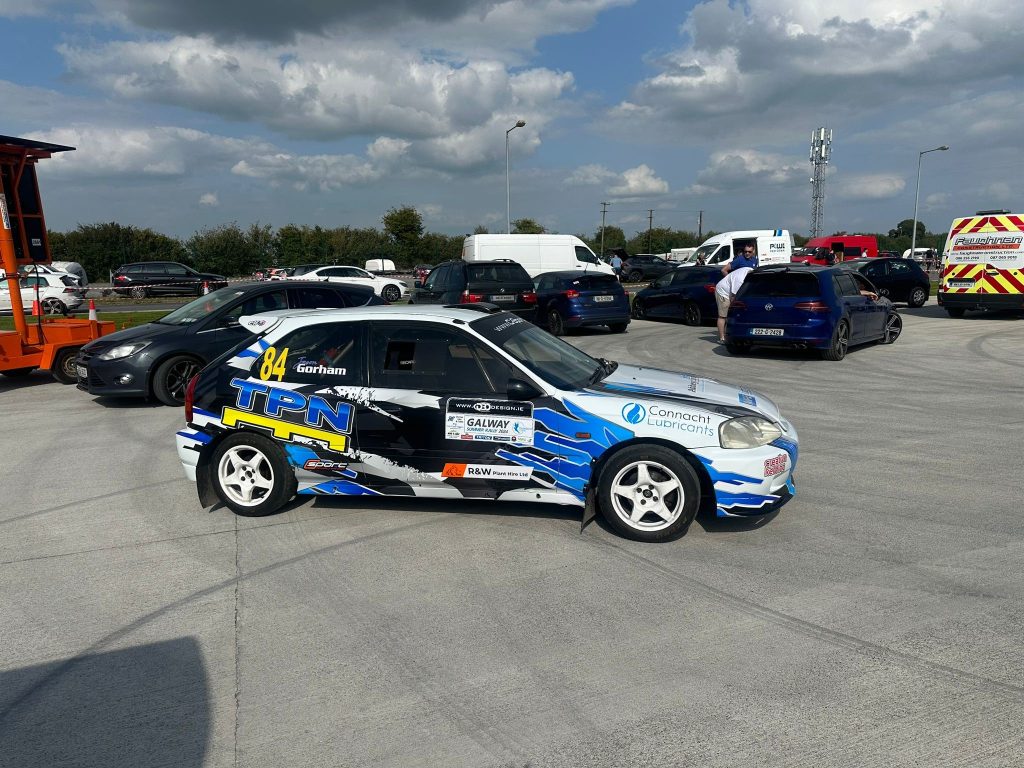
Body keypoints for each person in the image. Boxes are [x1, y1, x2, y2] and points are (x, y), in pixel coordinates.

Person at [716, 266, 753, 343]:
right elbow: (734, 297)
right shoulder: (739, 280)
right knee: (723, 316)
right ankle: (722, 338)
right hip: (723, 292)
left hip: (729, 290)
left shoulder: (751, 271)